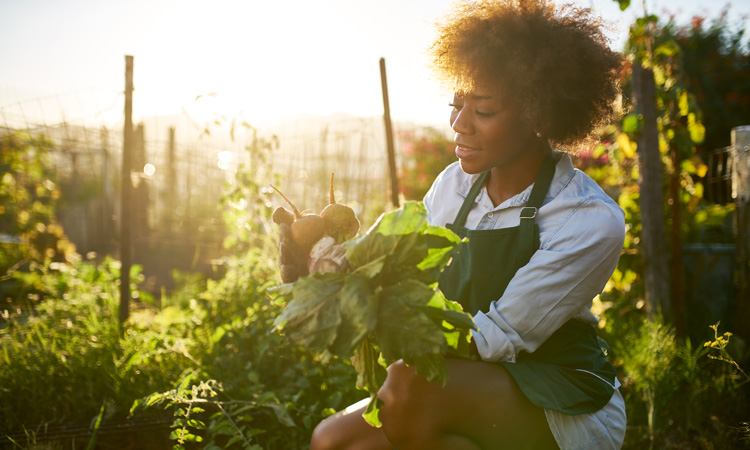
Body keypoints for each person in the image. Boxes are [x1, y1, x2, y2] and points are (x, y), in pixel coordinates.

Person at [299, 0, 627, 448]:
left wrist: (381, 317)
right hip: (461, 380)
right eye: (456, 105)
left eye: (484, 110)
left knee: (408, 387)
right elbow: (404, 275)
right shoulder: (453, 184)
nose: (458, 124)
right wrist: (332, 270)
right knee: (330, 440)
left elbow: (496, 338)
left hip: (560, 396)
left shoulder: (587, 218)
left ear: (538, 114)